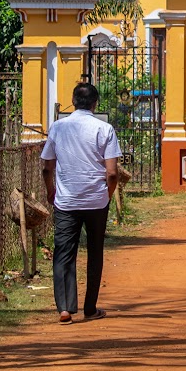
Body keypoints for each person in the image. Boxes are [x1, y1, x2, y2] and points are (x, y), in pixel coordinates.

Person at [40, 81, 121, 323]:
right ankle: (90, 308)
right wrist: (107, 193)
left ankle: (65, 308)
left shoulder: (58, 128)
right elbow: (113, 173)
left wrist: (50, 190)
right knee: (95, 251)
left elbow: (47, 167)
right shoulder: (104, 129)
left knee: (64, 252)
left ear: (73, 102)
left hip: (66, 201)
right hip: (97, 200)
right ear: (95, 103)